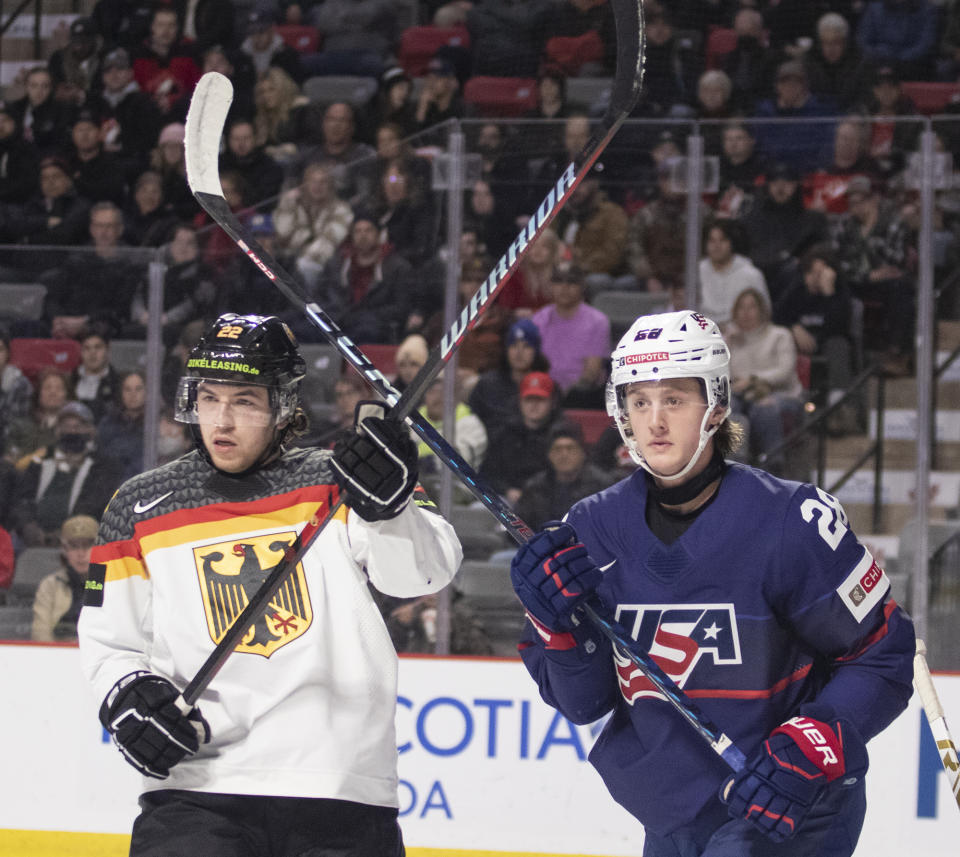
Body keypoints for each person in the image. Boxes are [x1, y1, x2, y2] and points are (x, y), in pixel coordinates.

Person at [509, 308, 915, 857]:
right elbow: (584, 704)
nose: (654, 421)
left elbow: (883, 654)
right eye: (639, 401)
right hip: (674, 813)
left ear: (717, 405)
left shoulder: (790, 520)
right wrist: (555, 625)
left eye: (673, 399)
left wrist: (816, 740)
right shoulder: (589, 530)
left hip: (788, 806)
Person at [77, 313, 461, 855]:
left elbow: (426, 571)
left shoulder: (341, 478)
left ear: (283, 406)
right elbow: (110, 641)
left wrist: (390, 510)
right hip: (196, 791)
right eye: (208, 399)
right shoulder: (140, 504)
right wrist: (128, 694)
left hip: (337, 790)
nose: (222, 421)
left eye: (244, 402)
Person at [11, 401, 121, 547]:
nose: (72, 432)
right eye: (67, 426)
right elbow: (21, 501)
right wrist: (28, 527)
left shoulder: (103, 466)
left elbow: (96, 506)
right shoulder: (39, 461)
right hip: (33, 539)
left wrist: (68, 531)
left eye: (78, 426)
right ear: (57, 430)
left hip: (80, 538)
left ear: (91, 431)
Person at [726, 287, 806, 476]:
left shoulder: (780, 335)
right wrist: (727, 342)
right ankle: (735, 467)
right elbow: (723, 376)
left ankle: (772, 467)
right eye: (741, 308)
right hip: (741, 395)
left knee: (765, 408)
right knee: (728, 409)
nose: (746, 313)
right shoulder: (732, 340)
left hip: (781, 394)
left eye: (752, 307)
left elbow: (784, 372)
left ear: (762, 311)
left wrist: (752, 380)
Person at [532, 265, 611, 409]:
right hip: (543, 392)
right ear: (551, 285)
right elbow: (533, 366)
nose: (564, 287)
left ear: (582, 286)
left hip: (582, 396)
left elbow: (591, 374)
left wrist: (562, 396)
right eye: (558, 281)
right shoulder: (539, 319)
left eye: (571, 282)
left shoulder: (597, 321)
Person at [515, 420, 614, 531]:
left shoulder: (602, 486)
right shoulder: (535, 487)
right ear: (549, 455)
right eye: (557, 449)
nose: (564, 455)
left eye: (570, 448)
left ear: (583, 453)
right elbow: (518, 529)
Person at [31, 513, 99, 642]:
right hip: (56, 656)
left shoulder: (113, 583)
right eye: (74, 546)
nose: (81, 553)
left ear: (100, 546)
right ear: (64, 549)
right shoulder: (50, 585)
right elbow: (40, 633)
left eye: (87, 545)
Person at [697, 220, 770, 328]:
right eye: (712, 241)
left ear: (732, 243)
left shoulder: (751, 274)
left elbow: (765, 313)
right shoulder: (695, 272)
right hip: (701, 333)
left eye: (722, 240)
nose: (717, 246)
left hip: (742, 335)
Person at [70, 327, 121, 424]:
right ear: (81, 352)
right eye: (87, 348)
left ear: (107, 350)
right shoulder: (69, 380)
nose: (92, 353)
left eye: (98, 347)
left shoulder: (118, 383)